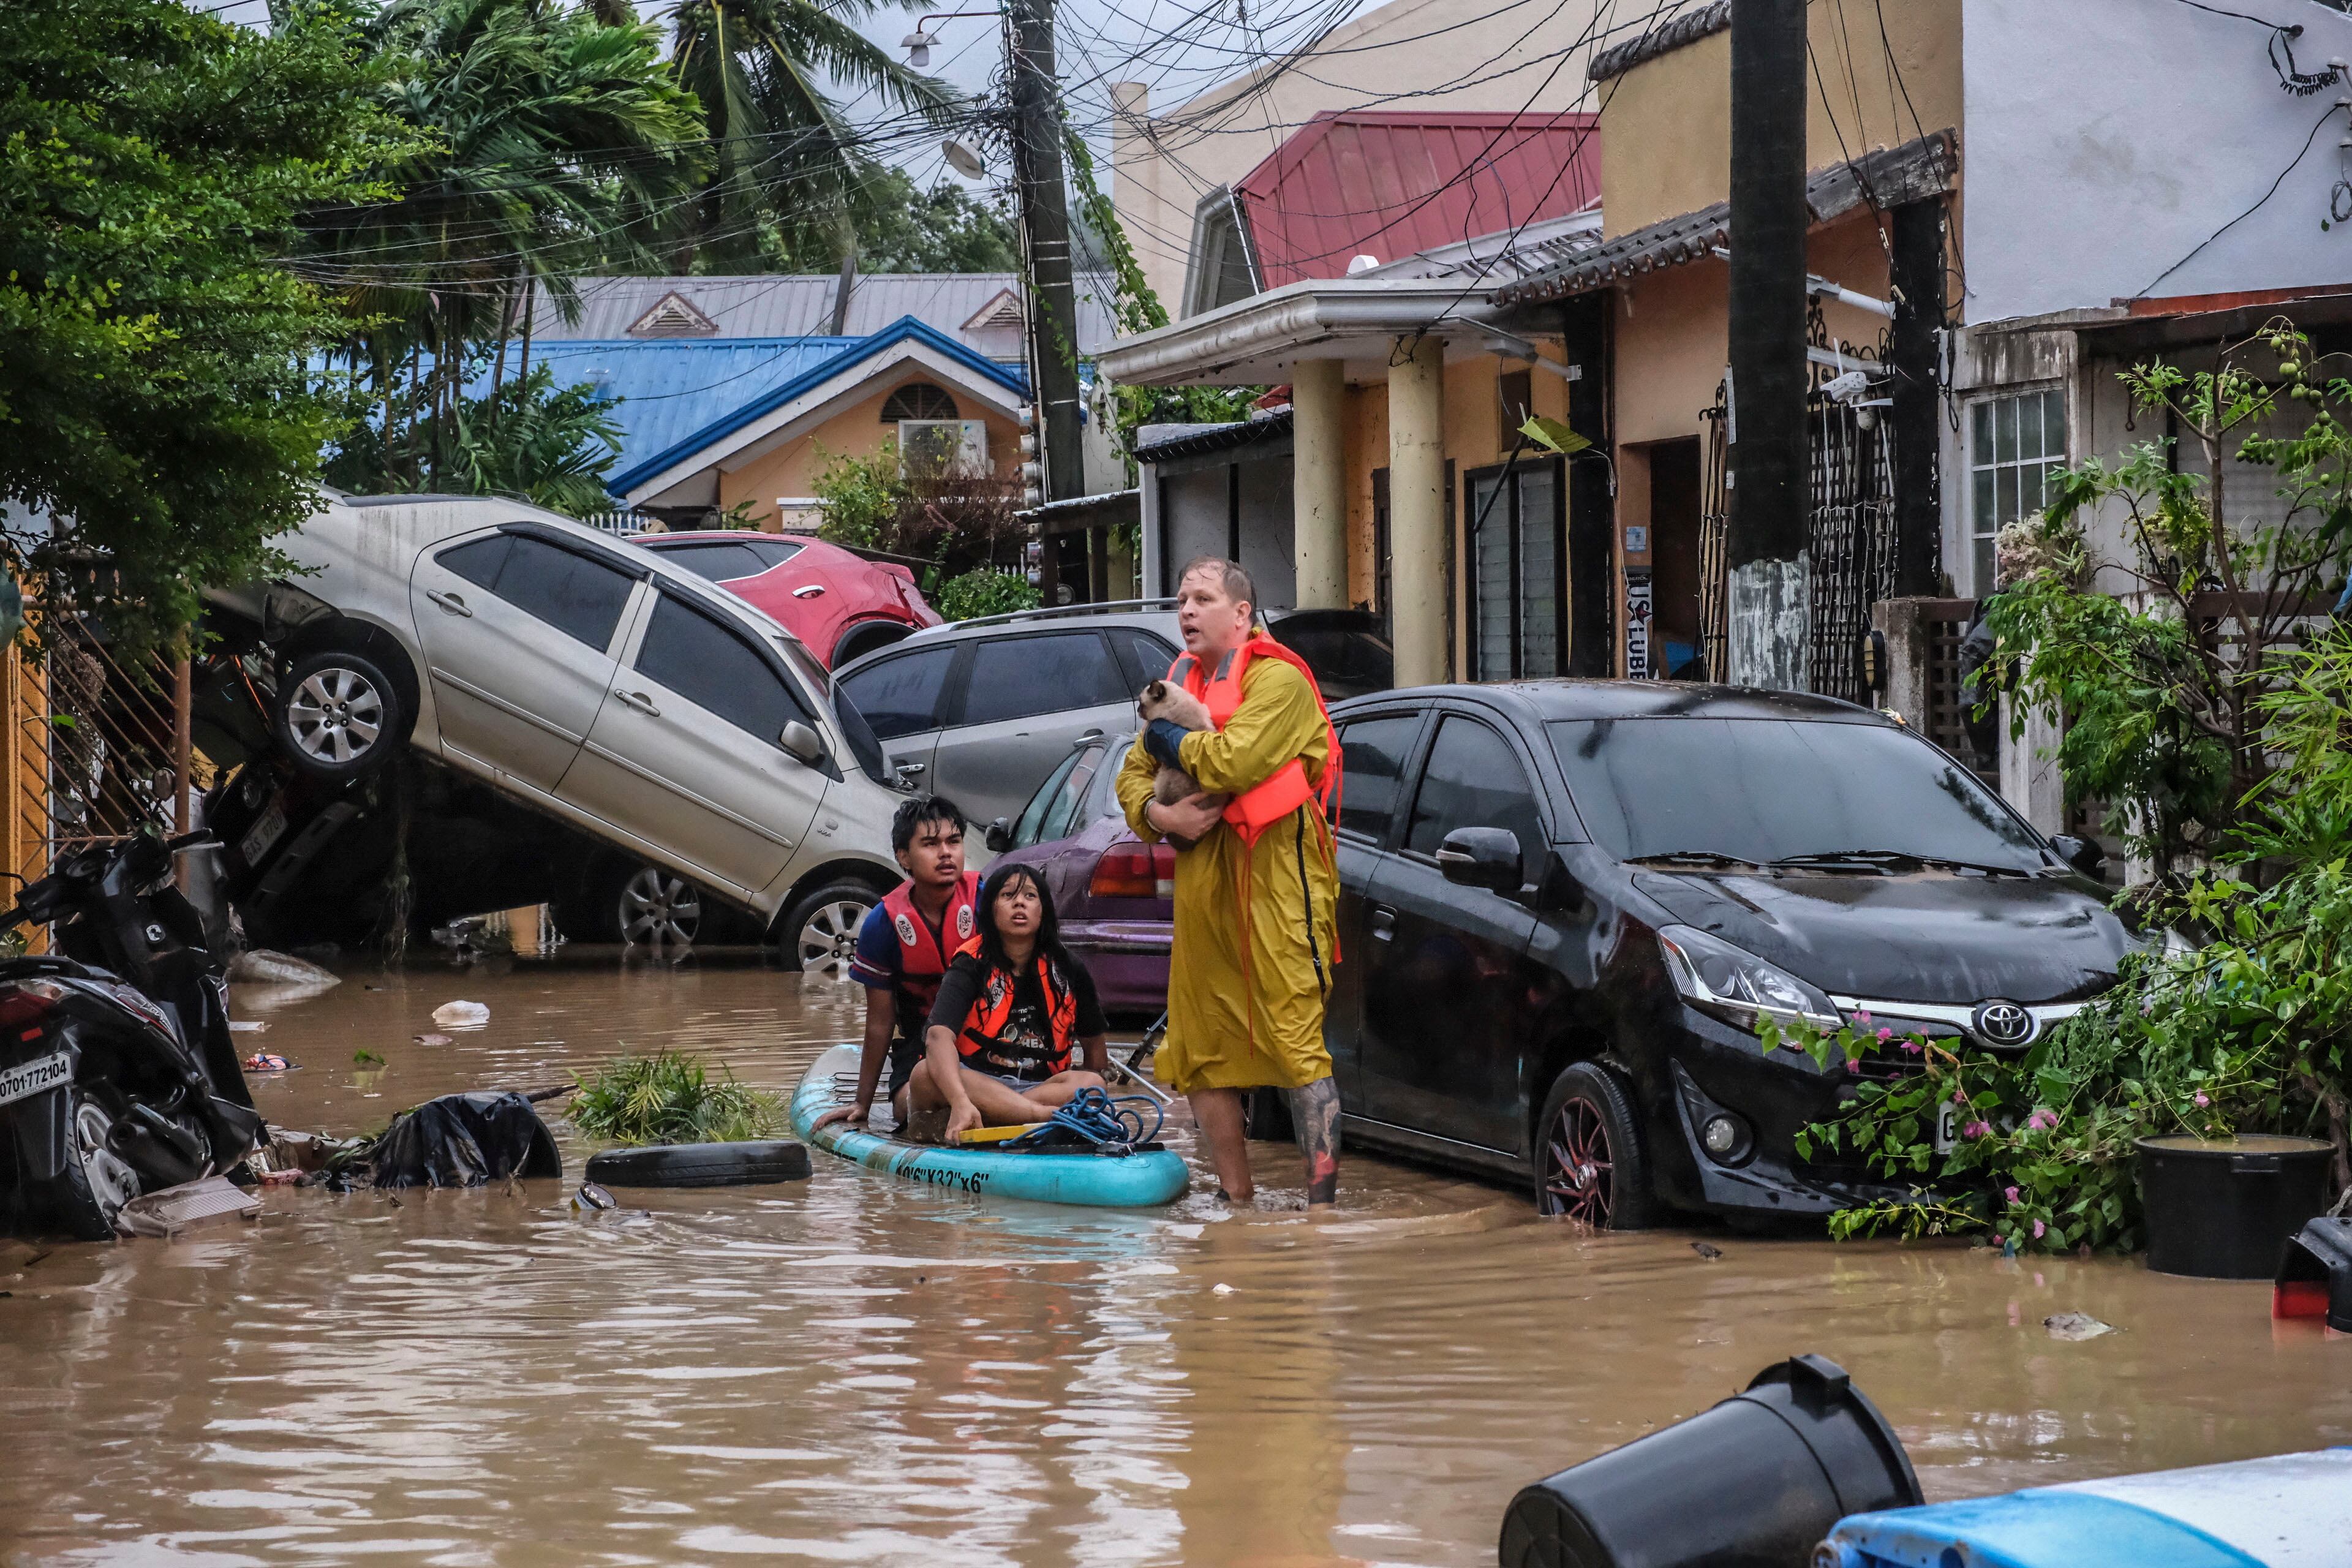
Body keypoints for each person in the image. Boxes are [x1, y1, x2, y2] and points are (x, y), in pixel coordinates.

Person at [1114, 556, 1343, 1209]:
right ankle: (1236, 1200)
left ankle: (1322, 1213)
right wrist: (1161, 813)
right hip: (1202, 893)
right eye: (1181, 598)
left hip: (1277, 891)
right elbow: (1128, 778)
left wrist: (1163, 739)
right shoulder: (1180, 682)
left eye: (1202, 598)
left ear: (1241, 614)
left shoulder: (1279, 682)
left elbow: (1232, 761)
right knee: (1201, 1049)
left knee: (1298, 1046)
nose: (1185, 610)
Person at [909, 862, 1111, 1142]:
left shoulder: (1069, 968)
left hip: (1040, 1087)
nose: (1019, 903)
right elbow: (937, 1036)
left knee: (1093, 1086)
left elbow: (1096, 1058)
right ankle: (1041, 1118)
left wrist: (1093, 1098)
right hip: (975, 1084)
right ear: (991, 909)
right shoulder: (971, 964)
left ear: (1044, 911)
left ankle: (1004, 1114)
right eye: (1007, 896)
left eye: (1030, 896)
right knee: (923, 1074)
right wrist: (959, 1100)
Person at [816, 795, 979, 1133]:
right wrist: (862, 1103)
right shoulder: (883, 924)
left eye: (954, 841)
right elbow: (880, 1022)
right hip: (920, 1051)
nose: (946, 853)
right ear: (904, 857)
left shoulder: (990, 902)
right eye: (930, 844)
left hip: (987, 1040)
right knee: (907, 1108)